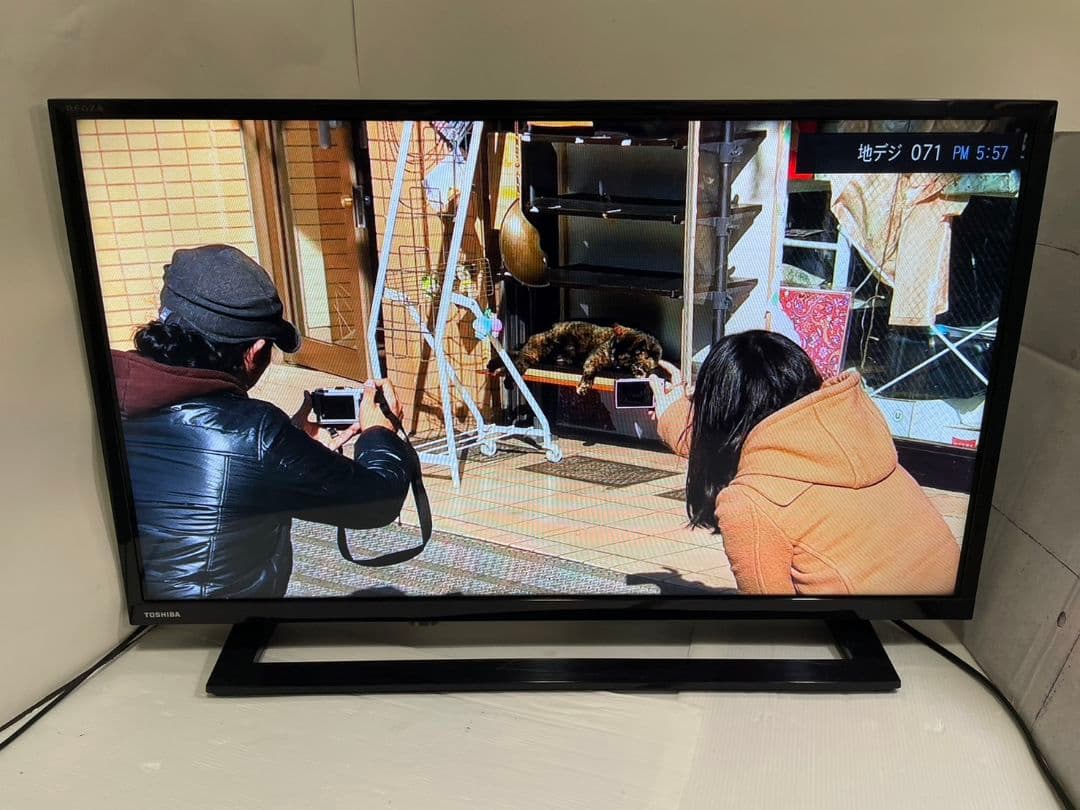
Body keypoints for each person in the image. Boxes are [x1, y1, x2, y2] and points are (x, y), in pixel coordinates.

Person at [111, 244, 416, 600]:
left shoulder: (100, 399)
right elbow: (375, 503)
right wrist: (379, 432)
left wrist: (290, 450)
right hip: (220, 622)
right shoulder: (253, 434)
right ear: (254, 352)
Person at [649, 330, 960, 596]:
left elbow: (772, 622)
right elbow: (744, 449)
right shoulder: (854, 441)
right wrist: (675, 416)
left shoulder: (750, 502)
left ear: (720, 412)